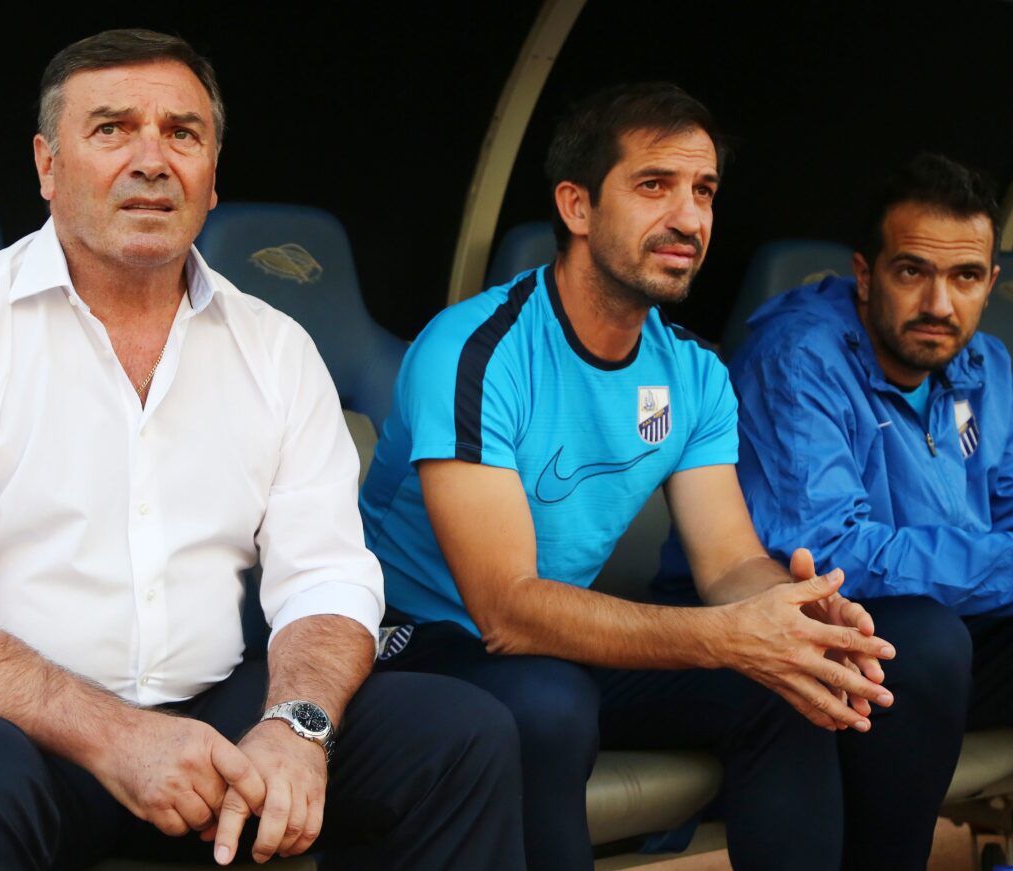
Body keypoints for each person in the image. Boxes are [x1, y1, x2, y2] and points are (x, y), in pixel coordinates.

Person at [0, 28, 524, 871]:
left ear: (212, 173)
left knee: (461, 736)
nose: (152, 160)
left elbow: (327, 578)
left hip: (210, 714)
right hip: (2, 724)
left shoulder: (275, 349)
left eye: (182, 133)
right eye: (111, 129)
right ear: (47, 165)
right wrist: (119, 735)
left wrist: (296, 727)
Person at [359, 81, 897, 871]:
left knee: (787, 686)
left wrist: (792, 617)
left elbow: (729, 563)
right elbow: (504, 610)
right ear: (576, 206)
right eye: (654, 185)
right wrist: (726, 637)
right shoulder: (473, 350)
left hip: (558, 644)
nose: (689, 218)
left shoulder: (694, 374)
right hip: (416, 643)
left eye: (704, 191)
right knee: (548, 701)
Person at [716, 152, 1011, 869]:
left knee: (937, 637)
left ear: (991, 281)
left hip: (948, 631)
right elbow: (826, 552)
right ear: (865, 273)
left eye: (965, 277)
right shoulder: (799, 358)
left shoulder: (985, 365)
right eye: (912, 271)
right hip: (813, 629)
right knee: (927, 641)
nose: (939, 304)